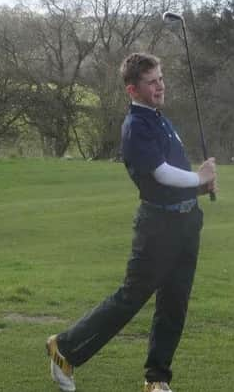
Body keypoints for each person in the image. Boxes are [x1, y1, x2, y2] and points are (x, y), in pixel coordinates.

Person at [45, 53, 217, 392]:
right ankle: (64, 348)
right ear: (132, 89)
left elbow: (173, 178)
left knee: (175, 303)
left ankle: (157, 379)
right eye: (151, 82)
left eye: (161, 79)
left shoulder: (158, 118)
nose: (160, 86)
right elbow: (160, 174)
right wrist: (198, 177)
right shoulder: (136, 126)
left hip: (185, 224)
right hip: (158, 228)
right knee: (131, 297)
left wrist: (199, 187)